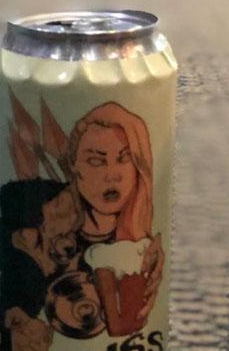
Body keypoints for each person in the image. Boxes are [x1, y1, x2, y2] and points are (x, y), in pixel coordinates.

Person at [67, 102, 164, 321]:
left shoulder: (144, 248)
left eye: (125, 158)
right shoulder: (53, 245)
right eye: (96, 161)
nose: (112, 175)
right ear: (74, 166)